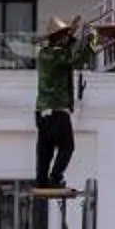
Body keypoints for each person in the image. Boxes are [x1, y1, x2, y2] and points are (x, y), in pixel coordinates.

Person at [34, 16, 96, 191]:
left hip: (42, 111)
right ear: (59, 38)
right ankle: (55, 178)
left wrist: (72, 32)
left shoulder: (45, 54)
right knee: (67, 147)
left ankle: (41, 180)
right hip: (57, 110)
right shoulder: (58, 55)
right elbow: (77, 59)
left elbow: (66, 50)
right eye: (65, 36)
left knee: (45, 149)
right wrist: (92, 43)